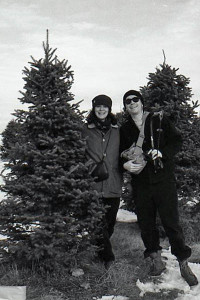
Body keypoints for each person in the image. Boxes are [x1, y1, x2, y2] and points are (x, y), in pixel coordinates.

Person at [119, 89, 198, 286]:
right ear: (125, 106)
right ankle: (155, 260)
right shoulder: (124, 129)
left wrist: (162, 153)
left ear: (142, 102)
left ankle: (183, 262)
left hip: (163, 180)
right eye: (128, 101)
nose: (132, 103)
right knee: (146, 223)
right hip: (141, 183)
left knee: (171, 223)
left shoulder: (159, 120)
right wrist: (125, 165)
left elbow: (177, 140)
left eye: (135, 99)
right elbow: (119, 153)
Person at [82, 94, 121, 269]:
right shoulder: (85, 130)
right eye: (98, 106)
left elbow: (126, 152)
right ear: (94, 108)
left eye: (105, 106)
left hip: (113, 184)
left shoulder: (118, 130)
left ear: (109, 109)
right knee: (98, 223)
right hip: (93, 183)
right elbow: (77, 154)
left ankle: (100, 251)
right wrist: (89, 167)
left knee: (109, 223)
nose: (101, 109)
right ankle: (108, 258)